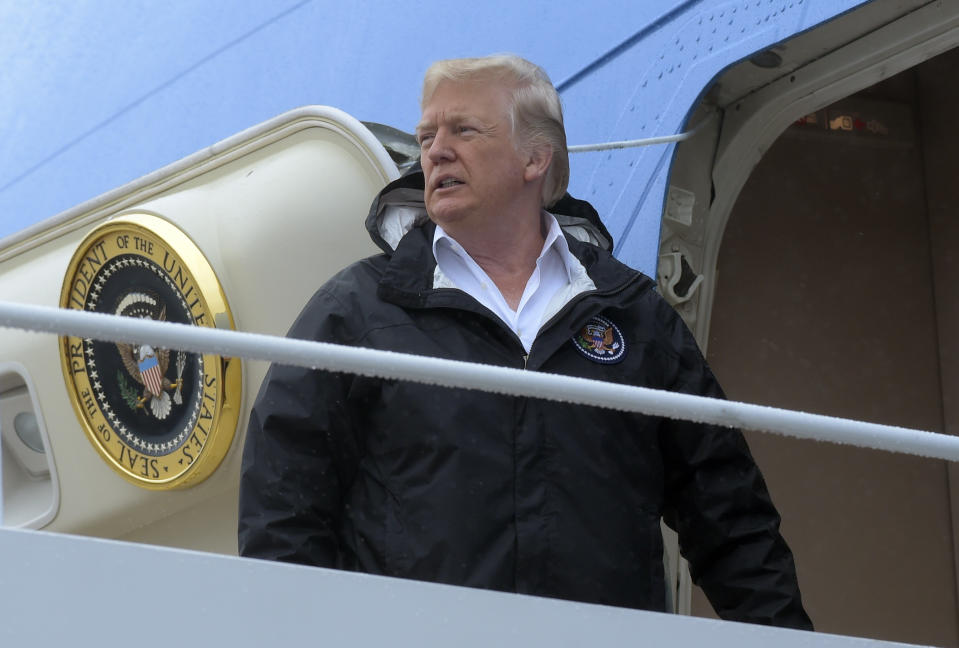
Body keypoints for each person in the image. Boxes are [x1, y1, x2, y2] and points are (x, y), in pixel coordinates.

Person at [238, 54, 812, 629]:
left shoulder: (632, 314)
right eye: (426, 135)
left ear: (536, 158)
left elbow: (730, 514)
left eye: (463, 129)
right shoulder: (358, 311)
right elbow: (283, 509)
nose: (434, 151)